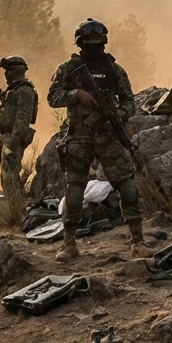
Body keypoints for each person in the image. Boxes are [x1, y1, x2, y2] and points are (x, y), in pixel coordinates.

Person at [46, 19, 148, 261]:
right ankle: (69, 243)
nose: (94, 47)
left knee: (127, 186)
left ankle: (138, 241)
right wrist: (77, 95)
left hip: (108, 135)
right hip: (80, 136)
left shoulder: (114, 70)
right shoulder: (68, 69)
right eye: (89, 43)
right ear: (80, 44)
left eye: (97, 42)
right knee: (75, 188)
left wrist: (116, 114)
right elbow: (53, 97)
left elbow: (129, 102)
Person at [0, 56, 38, 211]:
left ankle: (16, 209)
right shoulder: (12, 90)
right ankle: (13, 206)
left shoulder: (25, 90)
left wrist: (14, 140)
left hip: (13, 138)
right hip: (6, 136)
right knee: (6, 175)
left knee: (10, 174)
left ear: (16, 71)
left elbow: (22, 118)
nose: (6, 74)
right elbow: (7, 114)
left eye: (8, 70)